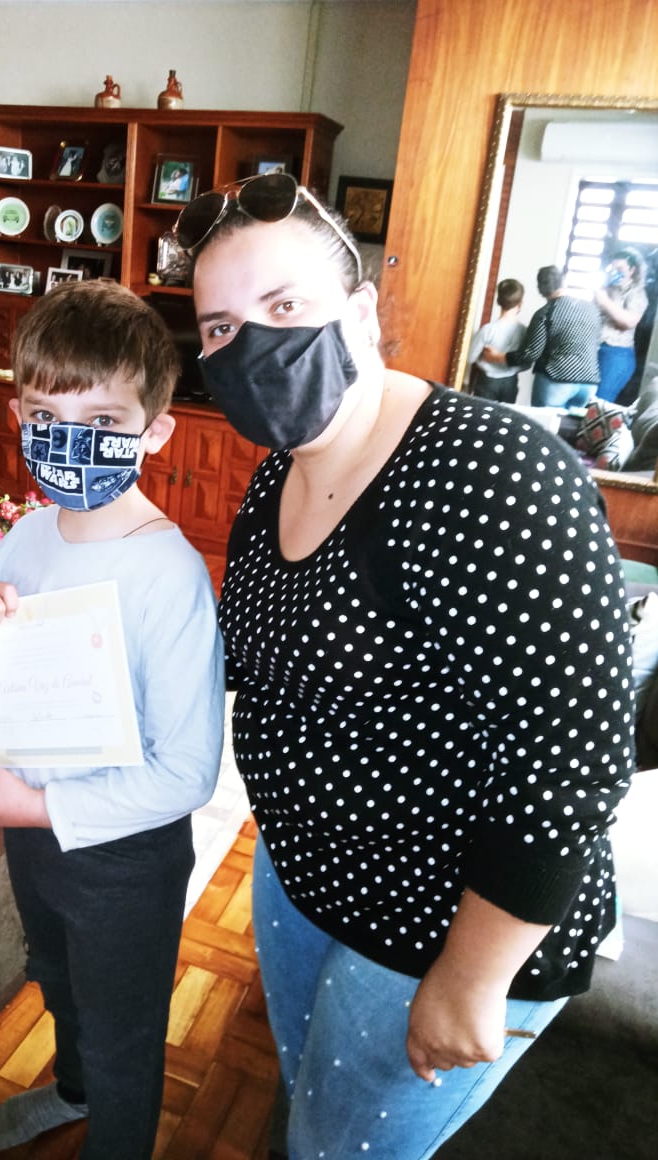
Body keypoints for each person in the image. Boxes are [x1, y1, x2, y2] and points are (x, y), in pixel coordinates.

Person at [173, 172, 635, 1160]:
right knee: (306, 1112)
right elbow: (252, 659)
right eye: (219, 327)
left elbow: (573, 761)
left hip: (443, 920)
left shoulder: (491, 471)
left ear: (360, 311)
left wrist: (472, 975)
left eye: (282, 306)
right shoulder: (278, 472)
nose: (248, 345)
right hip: (302, 875)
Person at [0, 279, 225, 1160]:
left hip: (124, 862)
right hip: (36, 838)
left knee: (123, 1032)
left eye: (101, 421)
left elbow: (188, 774)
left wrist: (33, 807)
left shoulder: (169, 575)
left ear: (155, 431)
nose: (69, 441)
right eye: (44, 415)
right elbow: (2, 683)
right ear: (17, 416)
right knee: (56, 980)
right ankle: (71, 1091)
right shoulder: (27, 535)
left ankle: (114, 1130)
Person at [483, 264, 601, 408]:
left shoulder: (546, 312)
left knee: (543, 420)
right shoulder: (591, 309)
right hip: (589, 382)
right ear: (563, 281)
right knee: (571, 423)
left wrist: (498, 357)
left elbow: (530, 353)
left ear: (540, 290)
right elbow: (596, 343)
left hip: (557, 378)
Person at [593, 248, 649, 403]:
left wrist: (605, 302)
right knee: (585, 399)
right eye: (612, 268)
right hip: (596, 348)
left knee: (598, 403)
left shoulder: (637, 294)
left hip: (616, 354)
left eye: (620, 269)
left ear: (632, 270)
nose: (615, 272)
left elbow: (628, 322)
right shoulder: (608, 289)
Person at [466, 277, 527, 402]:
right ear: (520, 303)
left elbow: (470, 357)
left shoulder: (487, 330)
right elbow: (526, 364)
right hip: (510, 382)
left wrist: (484, 358)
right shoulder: (524, 331)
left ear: (498, 301)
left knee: (482, 413)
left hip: (487, 381)